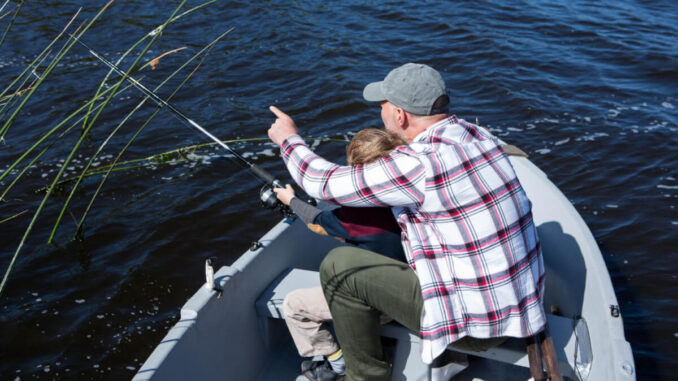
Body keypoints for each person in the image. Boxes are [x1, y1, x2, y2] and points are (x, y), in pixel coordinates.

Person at [268, 63, 546, 381]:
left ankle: (364, 376)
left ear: (400, 116)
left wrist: (288, 138)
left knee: (340, 264)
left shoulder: (419, 164)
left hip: (478, 328)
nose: (382, 115)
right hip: (523, 309)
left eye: (383, 107)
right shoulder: (479, 137)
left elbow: (319, 181)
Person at [274, 128, 408, 381]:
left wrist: (290, 200)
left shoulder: (357, 216)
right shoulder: (414, 201)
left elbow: (317, 221)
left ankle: (337, 363)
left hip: (380, 307)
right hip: (410, 296)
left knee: (294, 306)